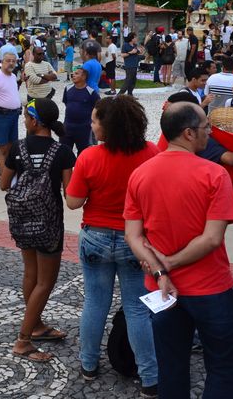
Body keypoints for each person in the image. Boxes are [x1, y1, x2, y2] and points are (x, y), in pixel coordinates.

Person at [124, 101, 233, 398]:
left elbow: (133, 236)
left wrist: (161, 269)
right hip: (211, 289)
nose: (211, 134)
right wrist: (172, 262)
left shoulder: (141, 174)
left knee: (171, 369)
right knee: (224, 368)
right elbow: (212, 239)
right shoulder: (214, 175)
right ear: (189, 133)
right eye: (207, 128)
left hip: (163, 291)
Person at [65, 96, 159, 396]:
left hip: (96, 236)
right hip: (136, 240)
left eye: (95, 120)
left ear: (109, 126)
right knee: (137, 309)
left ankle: (89, 364)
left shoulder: (90, 157)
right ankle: (149, 376)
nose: (92, 125)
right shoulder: (151, 153)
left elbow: (74, 202)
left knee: (95, 302)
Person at [0, 98, 76, 362]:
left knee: (31, 274)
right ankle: (23, 341)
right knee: (46, 281)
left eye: (25, 115)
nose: (23, 119)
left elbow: (4, 184)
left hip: (22, 221)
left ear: (34, 121)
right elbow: (71, 196)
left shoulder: (17, 148)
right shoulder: (63, 151)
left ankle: (37, 325)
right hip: (49, 223)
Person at [60, 66, 100, 155]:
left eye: (76, 73)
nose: (73, 75)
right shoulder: (67, 89)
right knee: (65, 152)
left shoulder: (91, 92)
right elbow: (66, 103)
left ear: (84, 77)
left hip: (84, 129)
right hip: (67, 127)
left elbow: (98, 108)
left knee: (83, 154)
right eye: (73, 73)